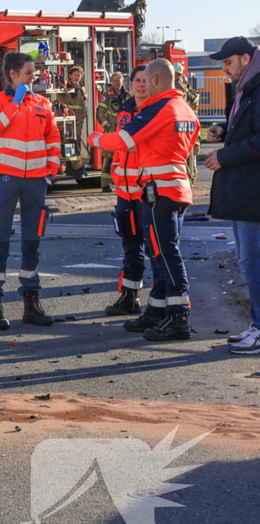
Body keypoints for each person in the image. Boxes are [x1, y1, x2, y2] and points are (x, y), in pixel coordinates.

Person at [89, 59, 199, 341]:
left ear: (156, 81)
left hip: (160, 191)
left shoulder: (160, 108)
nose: (143, 86)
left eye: (147, 81)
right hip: (175, 187)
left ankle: (178, 317)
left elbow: (124, 141)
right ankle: (157, 311)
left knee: (164, 253)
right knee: (161, 252)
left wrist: (97, 140)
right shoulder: (185, 108)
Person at [0, 52, 61, 331]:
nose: (33, 76)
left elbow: (52, 136)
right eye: (28, 73)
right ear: (13, 75)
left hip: (36, 182)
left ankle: (31, 303)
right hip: (5, 180)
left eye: (33, 72)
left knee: (32, 242)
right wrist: (14, 102)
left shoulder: (42, 103)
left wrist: (51, 170)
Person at [203, 36, 260, 355]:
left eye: (227, 63)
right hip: (248, 193)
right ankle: (256, 326)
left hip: (254, 194)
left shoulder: (256, 87)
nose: (224, 70)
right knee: (248, 260)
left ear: (245, 59)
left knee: (254, 262)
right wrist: (225, 130)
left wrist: (224, 156)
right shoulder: (247, 86)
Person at [102, 64, 149, 316]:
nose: (141, 85)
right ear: (130, 84)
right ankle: (130, 297)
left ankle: (161, 301)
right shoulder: (125, 111)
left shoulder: (155, 110)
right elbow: (121, 149)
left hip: (147, 192)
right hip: (125, 191)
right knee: (130, 246)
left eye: (145, 80)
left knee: (155, 247)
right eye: (137, 80)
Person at [97, 72, 130, 193]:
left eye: (119, 80)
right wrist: (107, 126)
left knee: (124, 158)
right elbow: (100, 112)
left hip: (125, 132)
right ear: (112, 82)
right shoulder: (108, 95)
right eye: (115, 80)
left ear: (123, 81)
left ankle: (121, 182)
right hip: (111, 131)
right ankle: (105, 184)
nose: (117, 82)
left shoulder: (128, 96)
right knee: (108, 157)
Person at [56, 66, 88, 172]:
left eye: (79, 75)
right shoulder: (64, 86)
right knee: (68, 142)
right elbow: (60, 94)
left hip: (78, 122)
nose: (77, 77)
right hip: (66, 121)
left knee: (76, 143)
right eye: (75, 75)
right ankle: (77, 168)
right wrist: (68, 86)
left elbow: (83, 104)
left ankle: (72, 168)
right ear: (70, 76)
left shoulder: (82, 88)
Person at [175, 63, 202, 186]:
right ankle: (189, 178)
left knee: (191, 153)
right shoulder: (186, 90)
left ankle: (191, 179)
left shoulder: (180, 88)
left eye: (177, 74)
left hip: (187, 125)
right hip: (185, 125)